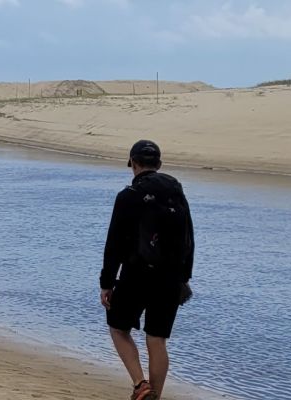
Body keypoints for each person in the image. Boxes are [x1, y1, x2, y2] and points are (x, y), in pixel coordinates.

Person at [100, 139, 194, 400]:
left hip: (136, 274)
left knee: (118, 328)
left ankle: (141, 384)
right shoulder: (177, 191)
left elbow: (114, 243)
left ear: (133, 164)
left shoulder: (127, 196)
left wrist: (107, 282)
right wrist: (184, 278)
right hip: (171, 278)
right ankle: (154, 396)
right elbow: (190, 237)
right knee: (157, 339)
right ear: (159, 164)